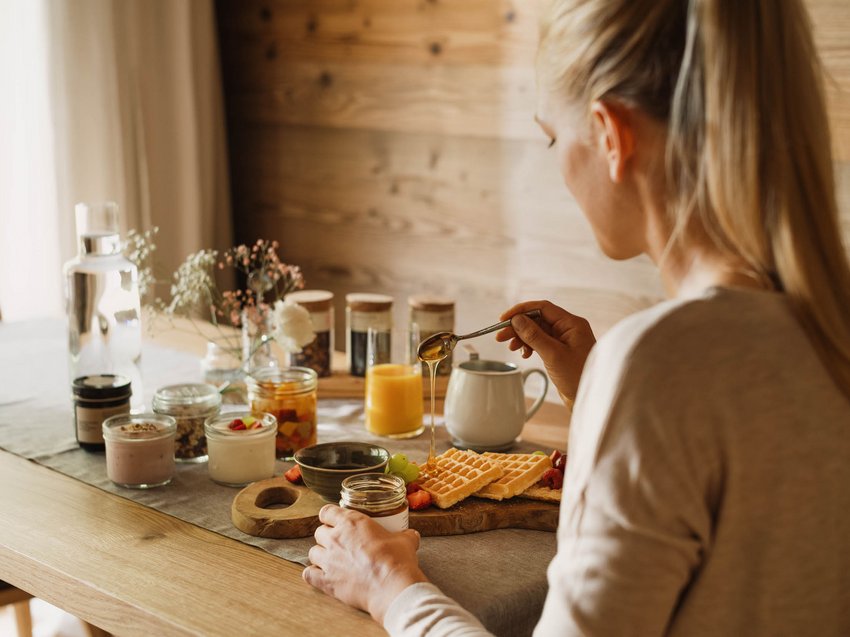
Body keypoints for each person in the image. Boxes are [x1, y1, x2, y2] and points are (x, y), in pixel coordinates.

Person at [302, 0, 850, 634]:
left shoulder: (661, 363)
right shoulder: (824, 329)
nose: (557, 161)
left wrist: (389, 585)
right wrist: (597, 392)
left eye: (553, 137)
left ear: (611, 136)